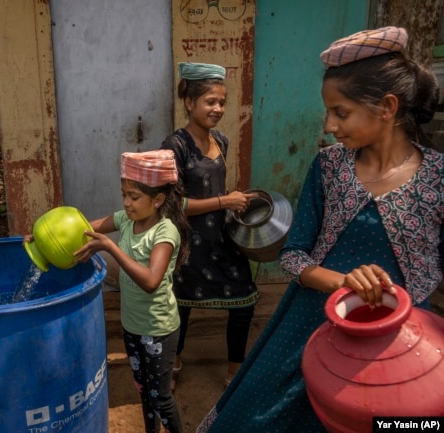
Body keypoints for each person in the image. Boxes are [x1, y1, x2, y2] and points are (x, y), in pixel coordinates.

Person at [196, 26, 444, 433]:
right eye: (328, 112)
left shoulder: (438, 178)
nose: (329, 125)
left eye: (340, 112)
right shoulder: (330, 168)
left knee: (388, 422)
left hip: (403, 346)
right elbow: (293, 256)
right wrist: (344, 282)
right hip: (309, 324)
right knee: (259, 417)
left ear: (387, 106)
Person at [73, 149, 190, 433]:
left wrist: (110, 247)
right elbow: (85, 228)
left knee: (160, 398)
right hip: (133, 326)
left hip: (158, 329)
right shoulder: (126, 221)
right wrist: (44, 236)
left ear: (158, 200)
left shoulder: (164, 232)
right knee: (143, 390)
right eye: (124, 194)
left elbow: (151, 281)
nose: (126, 203)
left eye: (134, 197)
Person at [160, 62, 260, 391]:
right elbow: (173, 205)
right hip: (189, 242)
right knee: (183, 306)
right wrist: (223, 202)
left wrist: (237, 201)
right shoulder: (174, 146)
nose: (217, 109)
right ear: (189, 102)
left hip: (223, 237)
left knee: (245, 298)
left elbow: (219, 191)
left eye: (221, 102)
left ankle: (235, 370)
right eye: (209, 102)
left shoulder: (221, 140)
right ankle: (174, 360)